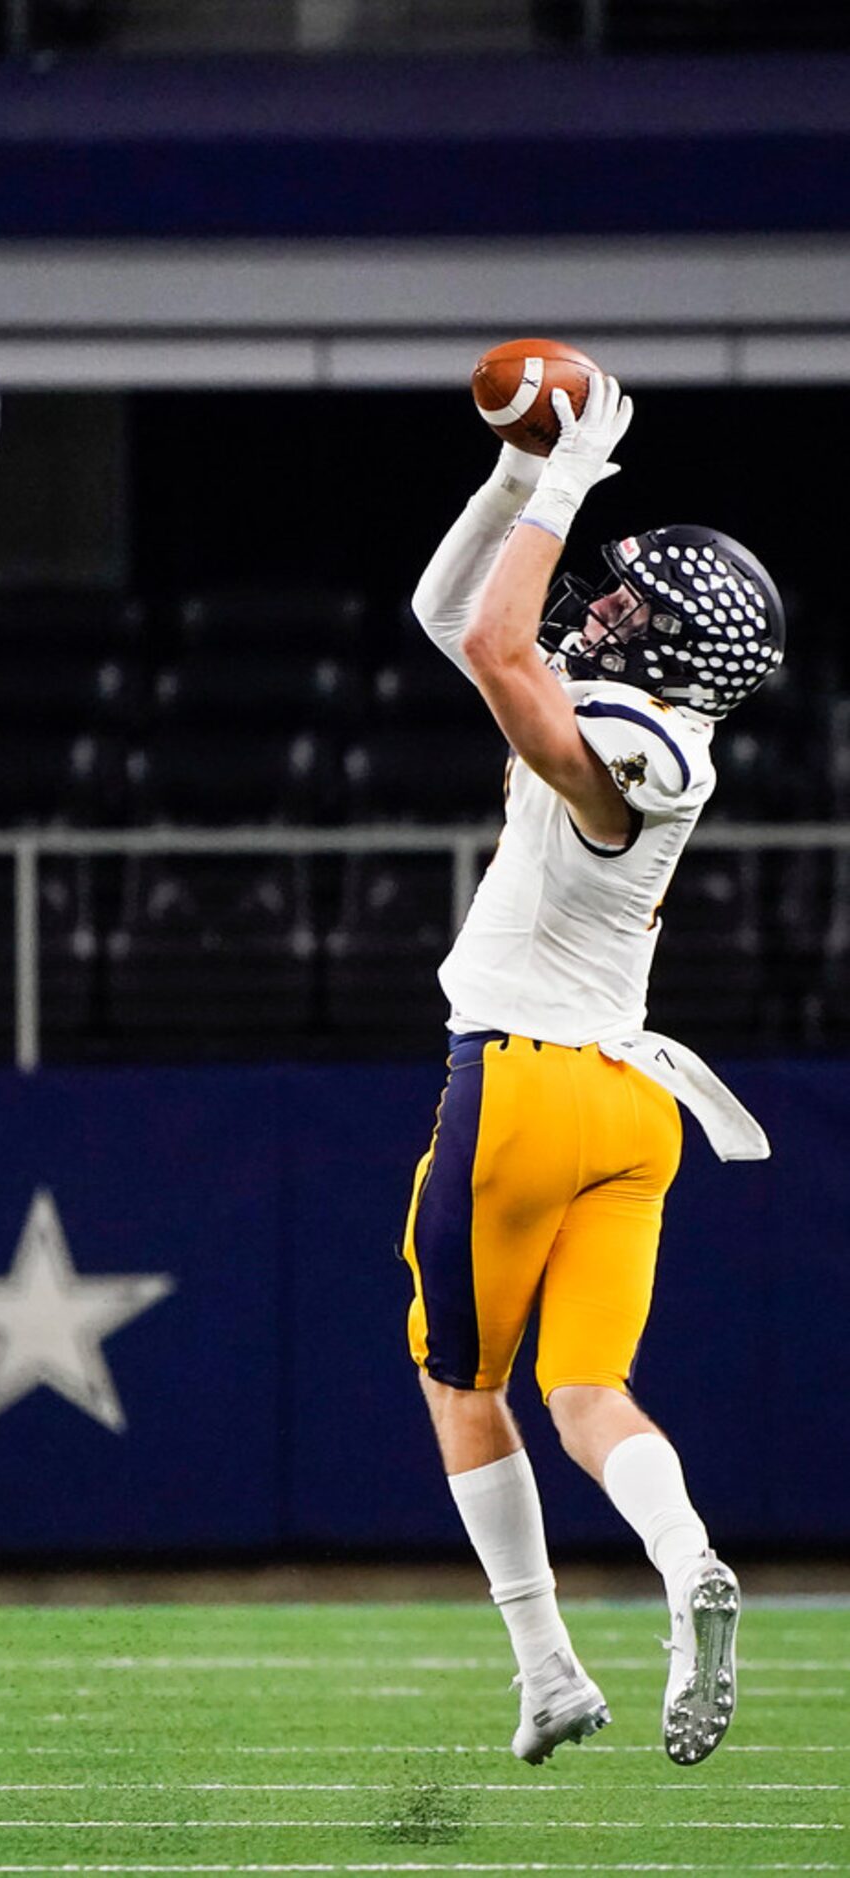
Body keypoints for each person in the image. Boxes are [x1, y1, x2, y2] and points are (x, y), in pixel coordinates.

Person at [404, 370, 782, 1765]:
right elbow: (456, 618)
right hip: (634, 1105)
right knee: (586, 1393)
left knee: (459, 1378)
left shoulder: (651, 743)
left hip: (522, 1078)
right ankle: (687, 1564)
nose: (606, 606)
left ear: (680, 658)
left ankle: (550, 1662)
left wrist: (565, 485)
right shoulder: (647, 714)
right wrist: (511, 478)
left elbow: (501, 651)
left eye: (635, 608)